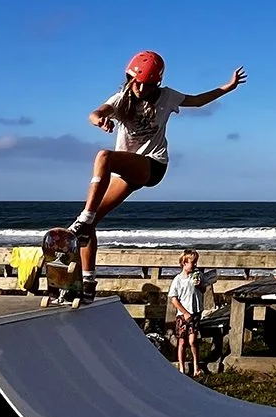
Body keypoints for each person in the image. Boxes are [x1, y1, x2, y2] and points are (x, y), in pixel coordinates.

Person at [69, 51, 246, 302]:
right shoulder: (121, 99)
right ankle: (88, 283)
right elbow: (95, 113)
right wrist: (100, 121)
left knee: (103, 157)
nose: (140, 88)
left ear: (157, 84)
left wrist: (227, 88)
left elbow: (197, 101)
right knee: (92, 223)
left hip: (153, 165)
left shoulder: (167, 96)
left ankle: (84, 220)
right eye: (136, 82)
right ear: (129, 77)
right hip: (130, 170)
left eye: (147, 85)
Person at [168, 250, 205, 378]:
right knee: (182, 342)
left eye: (196, 263)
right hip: (182, 314)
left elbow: (203, 289)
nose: (195, 265)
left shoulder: (198, 275)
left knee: (193, 340)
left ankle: (196, 366)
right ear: (184, 263)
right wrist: (184, 312)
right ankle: (182, 367)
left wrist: (200, 286)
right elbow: (174, 299)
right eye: (192, 263)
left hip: (195, 312)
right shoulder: (178, 279)